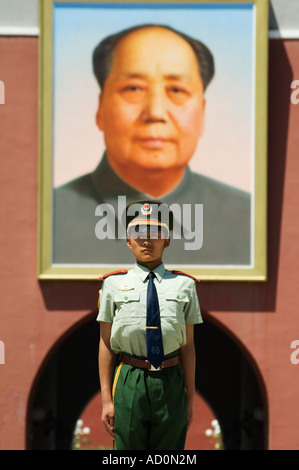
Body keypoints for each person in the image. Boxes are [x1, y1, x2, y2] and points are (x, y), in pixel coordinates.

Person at [53, 23, 250, 266]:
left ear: (202, 113)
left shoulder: (249, 219)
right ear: (100, 109)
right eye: (133, 88)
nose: (155, 112)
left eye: (177, 90)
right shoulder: (48, 218)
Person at [96, 200, 203, 450]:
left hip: (171, 378)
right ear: (128, 240)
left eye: (155, 234)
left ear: (166, 240)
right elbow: (105, 344)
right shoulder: (112, 285)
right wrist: (106, 399)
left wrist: (189, 397)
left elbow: (188, 347)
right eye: (138, 234)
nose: (146, 241)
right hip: (129, 378)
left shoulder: (184, 285)